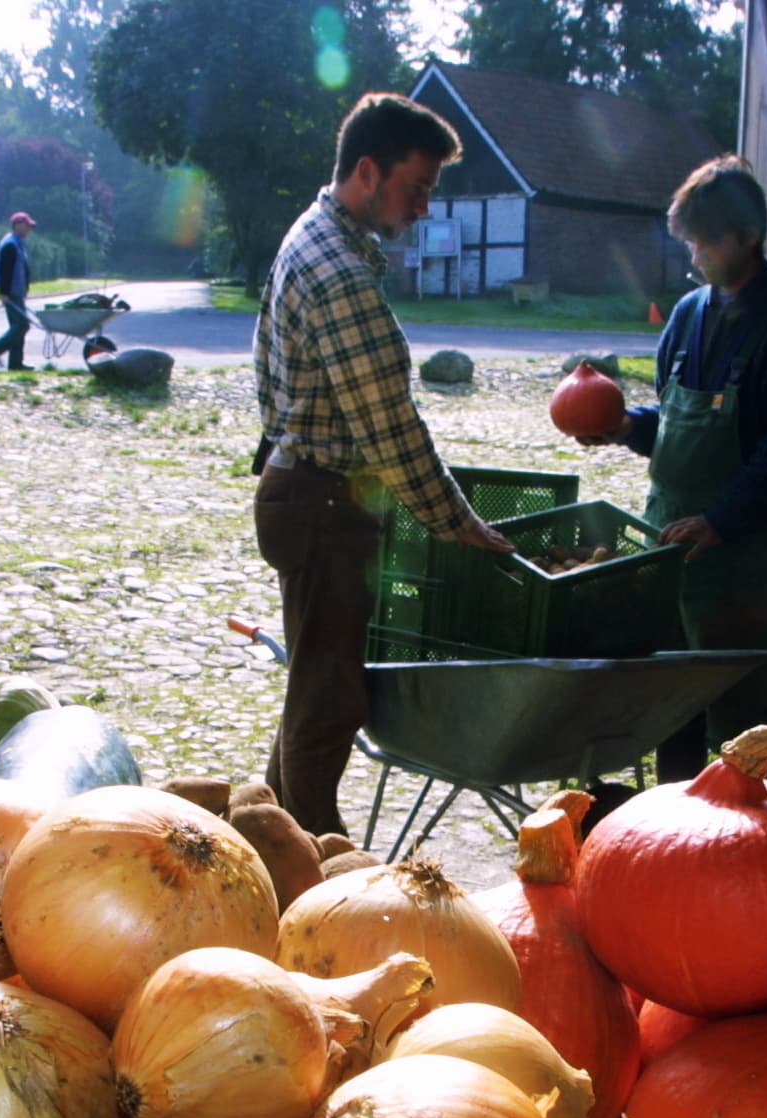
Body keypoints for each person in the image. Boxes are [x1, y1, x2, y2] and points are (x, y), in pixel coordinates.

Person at [252, 92, 513, 836]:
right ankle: (319, 879)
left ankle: (265, 845)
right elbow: (390, 428)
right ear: (367, 171)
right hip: (324, 504)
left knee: (314, 692)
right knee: (327, 706)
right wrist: (454, 521)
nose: (426, 207)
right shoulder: (337, 271)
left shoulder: (314, 236)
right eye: (417, 186)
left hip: (310, 492)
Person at [583, 155, 767, 780]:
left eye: (706, 239)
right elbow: (671, 419)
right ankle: (674, 838)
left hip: (737, 562)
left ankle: (744, 847)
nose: (694, 252)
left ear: (747, 236)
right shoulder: (689, 315)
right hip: (665, 543)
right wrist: (625, 427)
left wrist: (721, 521)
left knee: (740, 721)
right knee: (672, 704)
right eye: (688, 238)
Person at [0, 212, 36, 370]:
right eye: (27, 226)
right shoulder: (10, 245)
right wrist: (3, 292)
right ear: (18, 225)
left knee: (18, 328)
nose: (29, 230)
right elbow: (5, 271)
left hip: (16, 292)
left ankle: (16, 364)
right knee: (22, 326)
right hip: (11, 293)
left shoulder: (17, 243)